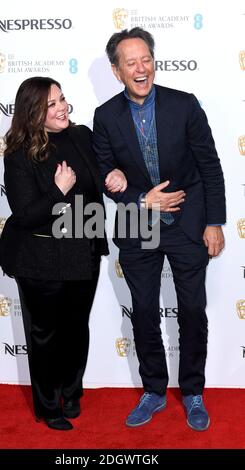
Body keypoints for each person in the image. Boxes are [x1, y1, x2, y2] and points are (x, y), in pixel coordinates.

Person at [93, 27, 226, 431]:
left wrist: (214, 222)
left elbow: (210, 166)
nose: (140, 68)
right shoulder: (106, 116)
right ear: (117, 71)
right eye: (130, 62)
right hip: (139, 227)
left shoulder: (184, 106)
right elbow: (103, 172)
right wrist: (138, 198)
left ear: (154, 60)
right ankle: (153, 390)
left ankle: (193, 392)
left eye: (146, 59)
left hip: (187, 224)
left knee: (191, 311)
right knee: (145, 312)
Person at [0, 76, 123, 431]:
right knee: (45, 333)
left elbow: (101, 175)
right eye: (51, 104)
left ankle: (71, 391)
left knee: (75, 328)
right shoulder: (19, 153)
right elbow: (25, 213)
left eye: (62, 99)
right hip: (39, 257)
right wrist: (57, 190)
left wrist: (113, 174)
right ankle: (49, 405)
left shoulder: (81, 135)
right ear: (34, 112)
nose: (62, 107)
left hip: (82, 249)